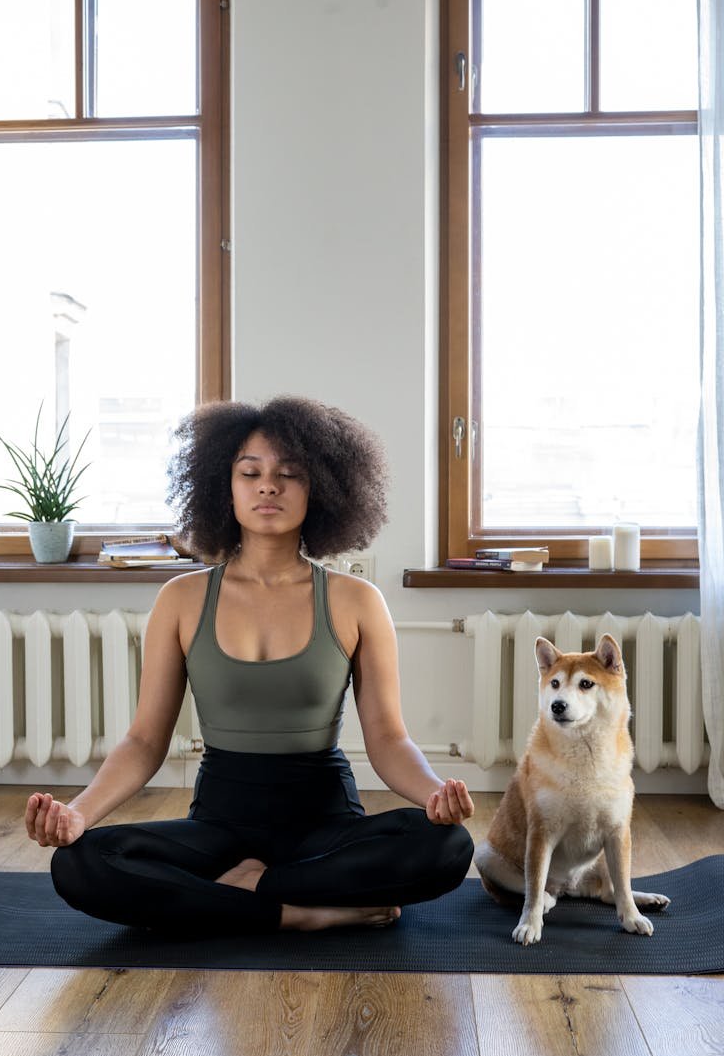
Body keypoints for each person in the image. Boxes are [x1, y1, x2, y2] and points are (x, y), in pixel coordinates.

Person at [25, 396, 475, 934]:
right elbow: (145, 741)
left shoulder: (357, 601)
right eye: (250, 473)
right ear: (224, 487)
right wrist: (77, 814)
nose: (268, 486)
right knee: (80, 862)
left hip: (324, 823)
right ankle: (295, 911)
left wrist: (433, 796)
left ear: (323, 490)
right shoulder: (181, 598)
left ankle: (244, 892)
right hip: (219, 824)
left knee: (448, 845)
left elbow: (388, 740)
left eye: (289, 474)